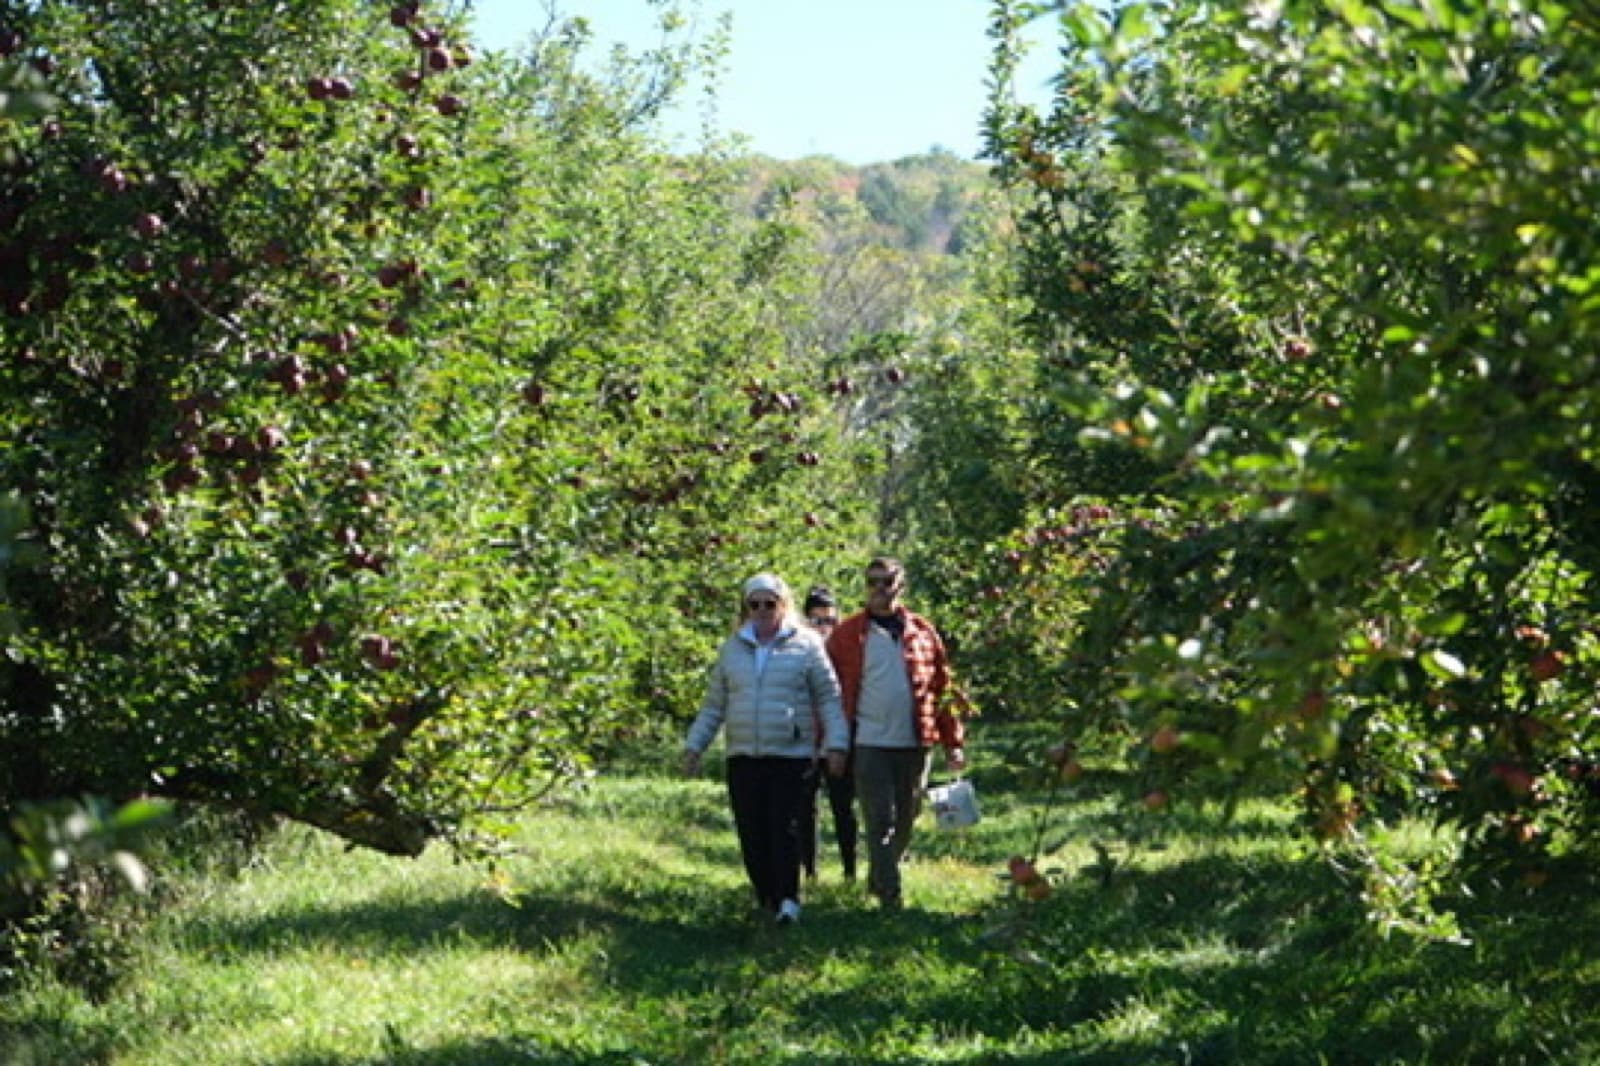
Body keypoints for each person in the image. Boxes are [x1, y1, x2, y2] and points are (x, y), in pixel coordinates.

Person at [684, 573, 848, 925]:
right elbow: (714, 705)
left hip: (790, 754)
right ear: (745, 608)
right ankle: (766, 897)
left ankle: (789, 899)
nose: (761, 610)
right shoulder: (732, 649)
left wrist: (836, 745)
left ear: (783, 605)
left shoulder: (806, 645)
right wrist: (695, 745)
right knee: (752, 830)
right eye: (753, 604)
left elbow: (829, 699)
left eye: (769, 604)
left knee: (784, 827)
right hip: (744, 754)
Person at [825, 556, 968, 911]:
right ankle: (891, 896)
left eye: (887, 582)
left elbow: (943, 688)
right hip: (869, 742)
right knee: (880, 819)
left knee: (907, 818)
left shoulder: (922, 632)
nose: (879, 590)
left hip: (916, 741)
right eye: (873, 582)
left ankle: (879, 876)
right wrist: (832, 744)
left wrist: (954, 742)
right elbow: (828, 692)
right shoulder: (847, 635)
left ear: (900, 587)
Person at [799, 585, 858, 882]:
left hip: (836, 739)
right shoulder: (798, 651)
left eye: (830, 620)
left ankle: (850, 871)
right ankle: (809, 870)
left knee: (842, 806)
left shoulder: (844, 653)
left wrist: (841, 737)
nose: (824, 627)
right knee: (805, 809)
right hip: (805, 740)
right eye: (816, 620)